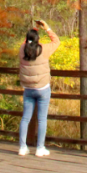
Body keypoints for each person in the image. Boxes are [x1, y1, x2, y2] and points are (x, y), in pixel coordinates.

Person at [17, 19, 60, 157]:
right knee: (42, 119)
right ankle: (40, 148)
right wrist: (47, 28)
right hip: (42, 88)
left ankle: (22, 147)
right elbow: (56, 42)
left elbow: (26, 41)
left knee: (25, 118)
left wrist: (34, 29)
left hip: (28, 88)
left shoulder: (22, 50)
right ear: (38, 40)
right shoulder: (43, 49)